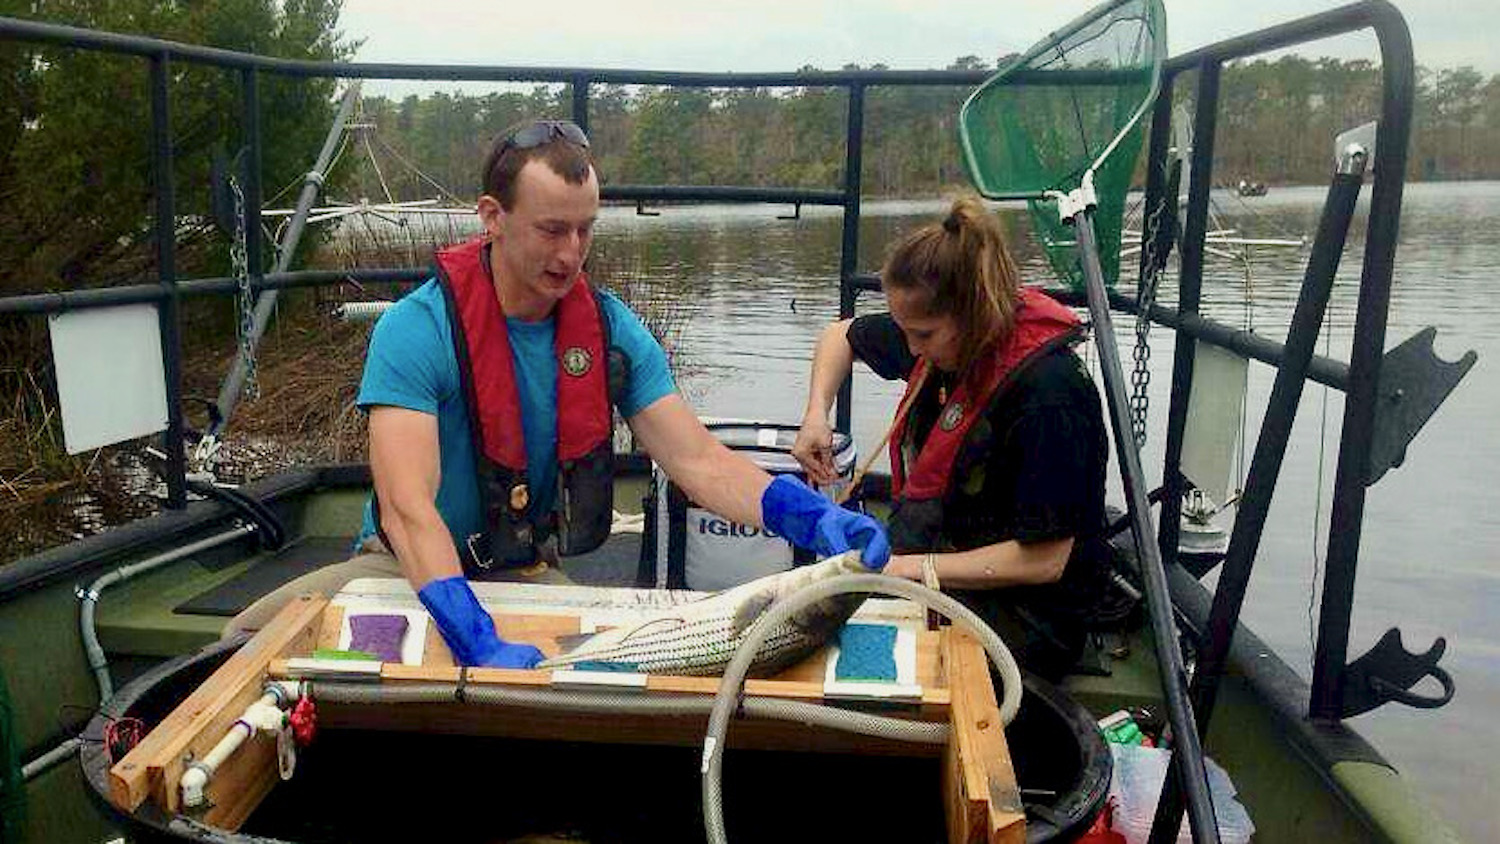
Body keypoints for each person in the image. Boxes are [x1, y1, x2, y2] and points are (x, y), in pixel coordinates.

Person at [227, 119, 888, 665]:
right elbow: (406, 510)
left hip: (521, 570)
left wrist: (807, 514)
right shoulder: (414, 329)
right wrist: (471, 632)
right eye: (551, 230)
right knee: (243, 646)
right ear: (492, 216)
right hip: (403, 571)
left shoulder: (608, 330)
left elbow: (698, 463)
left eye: (586, 229)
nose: (571, 254)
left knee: (590, 676)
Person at [792, 194, 1111, 681]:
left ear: (976, 313)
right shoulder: (939, 336)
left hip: (1027, 612)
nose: (911, 349)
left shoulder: (1049, 397)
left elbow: (1045, 561)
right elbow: (839, 337)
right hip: (942, 562)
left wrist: (904, 571)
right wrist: (816, 413)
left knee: (847, 652)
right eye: (906, 334)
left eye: (923, 335)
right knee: (806, 622)